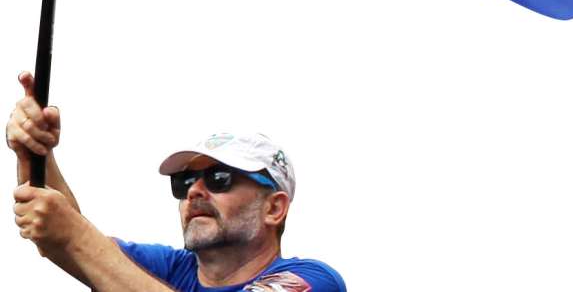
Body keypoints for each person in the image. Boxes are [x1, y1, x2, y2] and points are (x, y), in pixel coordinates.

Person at [8, 71, 346, 291]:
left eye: (219, 178)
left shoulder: (313, 280)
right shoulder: (169, 268)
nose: (195, 191)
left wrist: (75, 235)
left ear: (274, 208)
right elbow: (67, 240)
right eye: (184, 182)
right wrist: (35, 152)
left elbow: (78, 239)